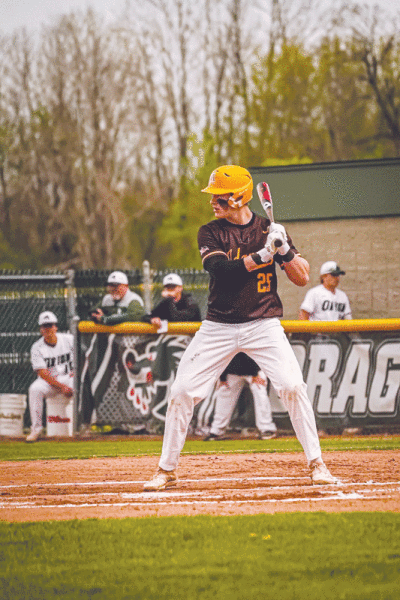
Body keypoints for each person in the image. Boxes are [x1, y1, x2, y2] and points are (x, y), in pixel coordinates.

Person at [143, 164, 337, 491]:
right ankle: (167, 469)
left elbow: (302, 277)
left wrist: (284, 247)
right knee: (181, 391)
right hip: (218, 324)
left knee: (292, 385)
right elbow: (222, 271)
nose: (213, 201)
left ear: (239, 197)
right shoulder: (210, 231)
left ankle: (317, 463)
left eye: (219, 196)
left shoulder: (268, 228)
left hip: (263, 323)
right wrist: (264, 253)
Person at [204, 352, 277, 441]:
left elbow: (255, 351)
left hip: (255, 368)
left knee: (260, 392)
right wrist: (222, 377)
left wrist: (255, 373)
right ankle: (216, 430)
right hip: (231, 370)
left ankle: (267, 428)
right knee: (223, 393)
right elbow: (221, 355)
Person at [26, 311, 74, 442]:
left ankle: (83, 426)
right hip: (50, 382)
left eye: (50, 325)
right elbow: (43, 373)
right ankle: (36, 429)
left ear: (56, 327)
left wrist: (77, 375)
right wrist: (61, 387)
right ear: (41, 329)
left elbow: (83, 357)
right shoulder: (37, 347)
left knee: (82, 383)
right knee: (35, 389)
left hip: (69, 377)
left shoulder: (69, 339)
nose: (48, 329)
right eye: (44, 326)